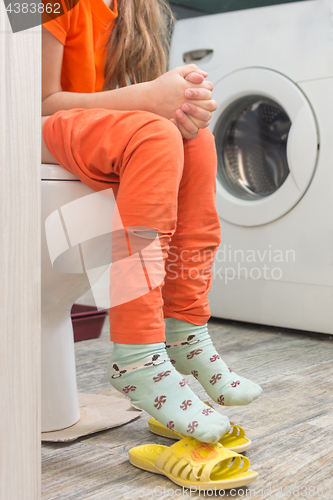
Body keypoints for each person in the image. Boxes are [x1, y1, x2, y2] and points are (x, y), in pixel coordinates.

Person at [42, 0, 262, 445]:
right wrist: (145, 100)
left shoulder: (137, 8)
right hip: (28, 125)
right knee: (156, 133)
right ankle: (138, 357)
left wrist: (178, 106)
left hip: (85, 133)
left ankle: (184, 330)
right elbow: (39, 100)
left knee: (195, 138)